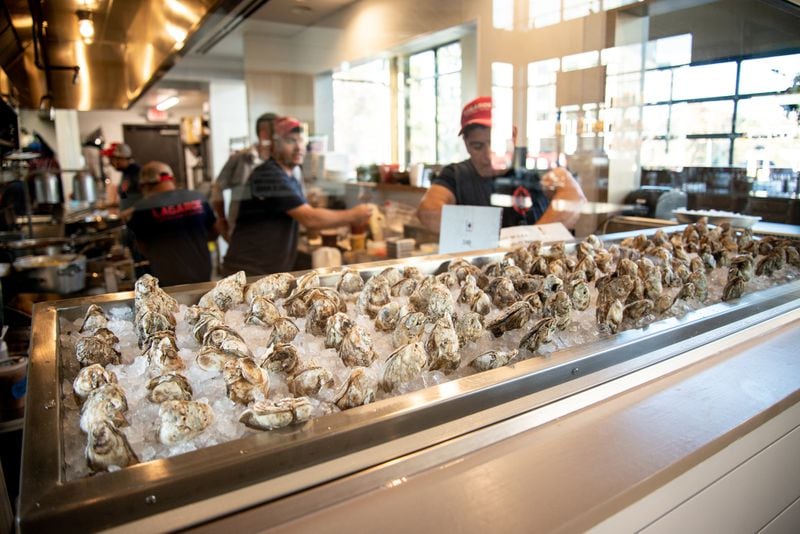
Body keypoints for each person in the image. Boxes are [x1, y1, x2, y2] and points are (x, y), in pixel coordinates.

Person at [222, 116, 373, 276]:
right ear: (275, 145)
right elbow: (310, 219)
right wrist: (354, 215)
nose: (299, 147)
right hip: (249, 272)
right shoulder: (268, 175)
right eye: (291, 141)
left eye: (302, 141)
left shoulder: (288, 176)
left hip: (266, 270)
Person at [417, 96, 586, 232]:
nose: (489, 155)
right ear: (466, 144)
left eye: (496, 143)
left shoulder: (537, 166)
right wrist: (490, 239)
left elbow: (574, 197)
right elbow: (428, 211)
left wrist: (529, 242)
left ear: (513, 135)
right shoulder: (455, 175)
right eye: (477, 146)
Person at [125, 161, 217, 286]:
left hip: (169, 282)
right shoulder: (197, 198)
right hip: (202, 275)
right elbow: (214, 231)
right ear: (171, 179)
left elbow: (140, 246)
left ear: (144, 186)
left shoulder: (143, 209)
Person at [211, 112, 278, 242]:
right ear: (264, 134)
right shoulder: (241, 159)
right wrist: (222, 220)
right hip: (242, 230)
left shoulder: (280, 161)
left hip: (272, 231)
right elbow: (217, 188)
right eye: (277, 132)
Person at [102, 142, 142, 211]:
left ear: (123, 158)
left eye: (112, 159)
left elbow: (146, 198)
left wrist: (130, 211)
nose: (111, 163)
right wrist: (111, 205)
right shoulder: (126, 173)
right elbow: (125, 197)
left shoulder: (137, 173)